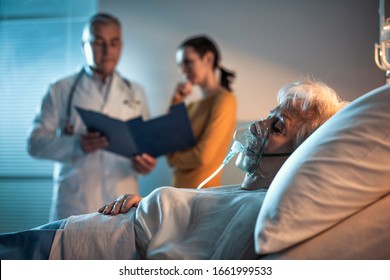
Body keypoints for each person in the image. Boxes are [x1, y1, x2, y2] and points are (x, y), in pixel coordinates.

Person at [1, 79, 345, 260]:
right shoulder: (247, 193)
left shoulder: (263, 209)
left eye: (278, 127)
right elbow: (192, 221)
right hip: (97, 220)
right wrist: (151, 205)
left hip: (94, 244)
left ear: (298, 155)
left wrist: (152, 217)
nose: (258, 126)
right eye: (269, 115)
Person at [27, 13, 156, 222]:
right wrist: (77, 145)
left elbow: (145, 145)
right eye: (98, 42)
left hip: (122, 202)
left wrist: (144, 163)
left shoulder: (135, 91)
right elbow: (34, 143)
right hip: (75, 202)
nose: (107, 51)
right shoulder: (60, 89)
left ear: (121, 46)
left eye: (113, 43)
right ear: (84, 46)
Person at [167, 35, 237, 188]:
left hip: (202, 195)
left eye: (188, 62)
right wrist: (176, 102)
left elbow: (202, 157)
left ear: (208, 59)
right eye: (180, 65)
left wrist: (173, 158)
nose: (183, 70)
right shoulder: (191, 106)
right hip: (177, 192)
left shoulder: (225, 100)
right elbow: (168, 144)